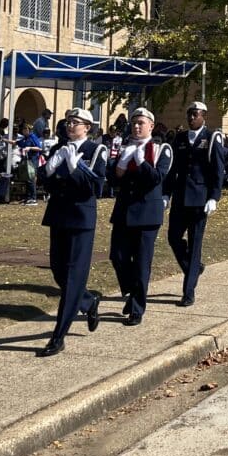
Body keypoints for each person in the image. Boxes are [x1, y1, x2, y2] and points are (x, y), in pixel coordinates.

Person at [37, 108, 108, 357]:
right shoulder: (59, 148)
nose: (69, 126)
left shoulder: (96, 150)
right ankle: (88, 301)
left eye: (75, 122)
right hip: (59, 214)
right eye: (68, 121)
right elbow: (46, 181)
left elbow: (95, 187)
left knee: (74, 277)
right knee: (58, 270)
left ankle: (58, 336)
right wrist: (48, 171)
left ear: (87, 127)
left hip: (80, 217)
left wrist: (74, 166)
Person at [109, 107, 173, 325]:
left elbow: (157, 178)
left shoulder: (161, 149)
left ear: (151, 126)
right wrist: (121, 164)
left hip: (147, 213)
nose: (136, 127)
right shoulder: (123, 147)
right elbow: (113, 179)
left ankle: (137, 308)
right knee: (117, 256)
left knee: (141, 262)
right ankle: (133, 291)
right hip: (124, 210)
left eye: (141, 123)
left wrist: (141, 161)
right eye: (134, 123)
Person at [164, 101, 225, 307]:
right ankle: (194, 268)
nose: (191, 118)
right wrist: (166, 194)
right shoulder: (180, 138)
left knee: (195, 244)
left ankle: (188, 292)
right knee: (173, 237)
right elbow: (173, 169)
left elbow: (218, 170)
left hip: (200, 199)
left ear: (203, 117)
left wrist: (214, 197)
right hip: (181, 198)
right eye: (189, 114)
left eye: (195, 114)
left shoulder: (211, 138)